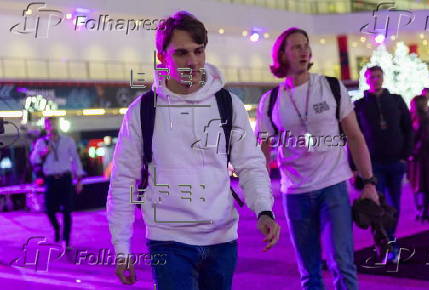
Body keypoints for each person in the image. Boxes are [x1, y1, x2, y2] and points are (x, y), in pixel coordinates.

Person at [107, 11, 280, 289]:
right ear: (162, 56)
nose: (193, 62)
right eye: (181, 53)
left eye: (199, 51)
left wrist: (264, 210)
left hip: (222, 240)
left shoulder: (227, 103)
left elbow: (249, 164)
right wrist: (121, 247)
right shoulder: (142, 111)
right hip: (168, 241)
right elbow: (123, 180)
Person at [256, 27, 379, 290]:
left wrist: (369, 183)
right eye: (296, 47)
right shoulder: (270, 101)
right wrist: (260, 203)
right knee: (309, 272)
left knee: (342, 263)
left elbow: (355, 137)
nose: (304, 51)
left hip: (333, 186)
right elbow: (261, 156)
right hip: (295, 193)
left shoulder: (331, 87)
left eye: (306, 45)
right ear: (282, 55)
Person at [353, 65, 413, 262]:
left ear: (383, 78)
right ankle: (383, 243)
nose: (376, 80)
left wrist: (406, 154)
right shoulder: (360, 105)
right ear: (367, 79)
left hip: (396, 162)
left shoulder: (396, 100)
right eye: (372, 77)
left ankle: (390, 243)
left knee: (394, 205)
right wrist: (354, 166)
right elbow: (353, 136)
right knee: (375, 206)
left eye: (379, 76)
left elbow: (408, 128)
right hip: (373, 165)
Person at [30, 117, 85, 249]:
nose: (52, 126)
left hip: (65, 178)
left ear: (58, 125)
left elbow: (75, 159)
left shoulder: (68, 141)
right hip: (50, 180)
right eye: (49, 124)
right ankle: (56, 227)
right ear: (46, 126)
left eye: (54, 123)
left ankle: (66, 240)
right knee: (49, 209)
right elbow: (34, 159)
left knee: (67, 211)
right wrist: (44, 152)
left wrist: (79, 180)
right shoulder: (41, 142)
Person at [408, 94, 429, 224]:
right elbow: (426, 139)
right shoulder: (426, 119)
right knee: (427, 186)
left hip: (418, 159)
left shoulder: (414, 118)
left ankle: (420, 211)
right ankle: (424, 212)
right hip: (427, 158)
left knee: (420, 186)